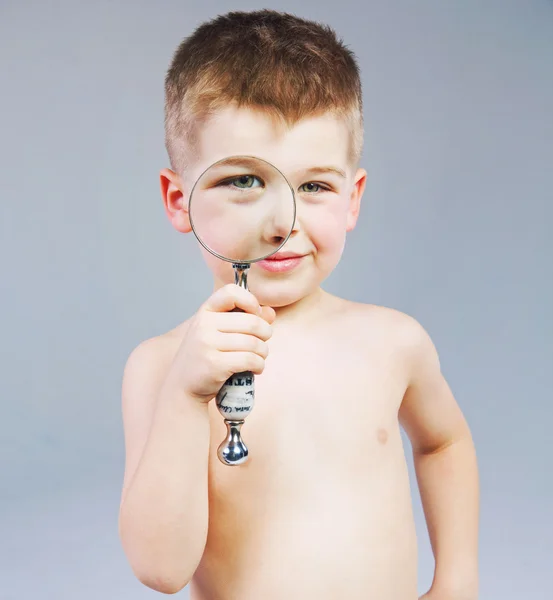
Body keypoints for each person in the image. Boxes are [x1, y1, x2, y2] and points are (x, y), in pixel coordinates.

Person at [118, 9, 479, 600]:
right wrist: (187, 396)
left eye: (314, 186)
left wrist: (457, 577)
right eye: (242, 181)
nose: (282, 222)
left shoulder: (393, 342)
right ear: (179, 200)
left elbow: (444, 443)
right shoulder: (160, 368)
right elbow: (162, 569)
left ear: (352, 199)